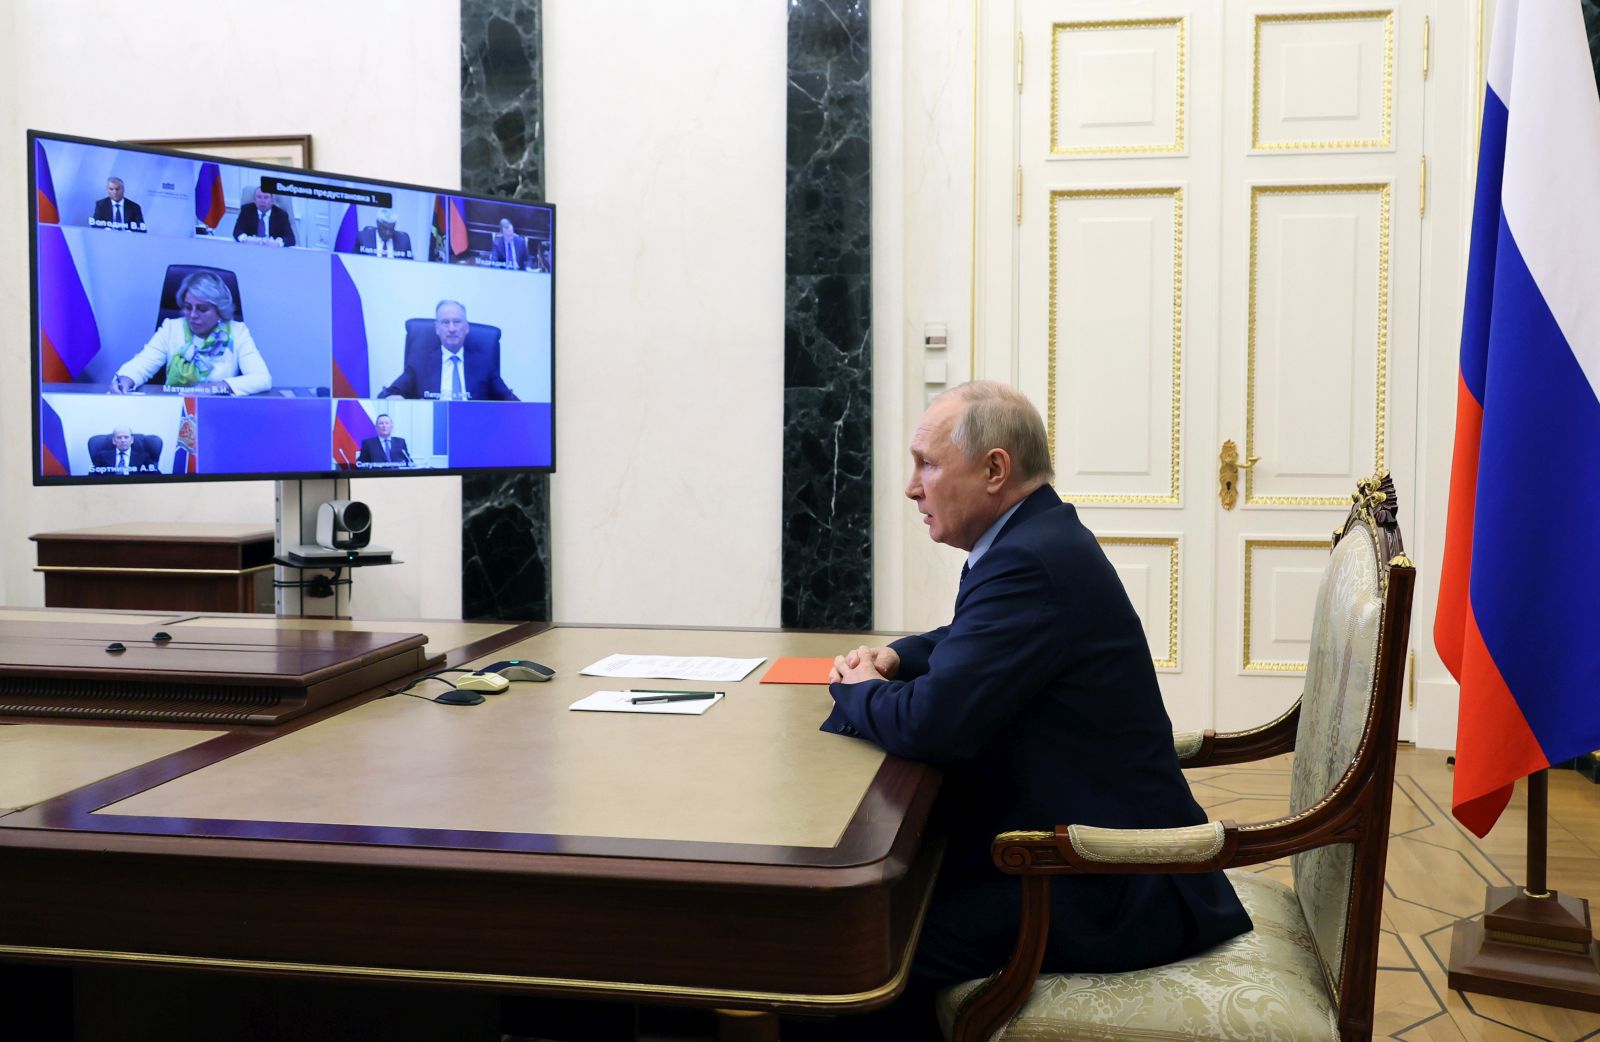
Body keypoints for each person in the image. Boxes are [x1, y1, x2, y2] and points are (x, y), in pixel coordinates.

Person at [820, 381, 1250, 1039]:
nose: (912, 488)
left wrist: (857, 692)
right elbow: (975, 642)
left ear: (995, 469)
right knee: (885, 903)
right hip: (1082, 854)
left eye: (927, 465)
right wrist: (899, 658)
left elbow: (932, 725)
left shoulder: (1028, 560)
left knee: (863, 951)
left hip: (1108, 882)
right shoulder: (1035, 538)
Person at [110, 270, 271, 395]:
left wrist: (218, 387)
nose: (193, 315)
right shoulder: (171, 328)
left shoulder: (237, 331)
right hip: (173, 408)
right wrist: (126, 379)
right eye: (188, 307)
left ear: (220, 310)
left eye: (202, 309)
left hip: (218, 410)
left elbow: (262, 378)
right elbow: (143, 363)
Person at [378, 300, 518, 401]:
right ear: (437, 328)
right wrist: (393, 398)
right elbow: (388, 394)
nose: (451, 329)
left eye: (457, 322)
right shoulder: (420, 362)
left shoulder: (483, 364)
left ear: (466, 327)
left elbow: (510, 400)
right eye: (445, 322)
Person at [89, 426, 154, 473]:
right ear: (114, 441)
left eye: (126, 437)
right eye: (119, 437)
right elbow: (92, 478)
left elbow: (156, 477)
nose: (123, 440)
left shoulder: (144, 457)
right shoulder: (101, 456)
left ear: (132, 440)